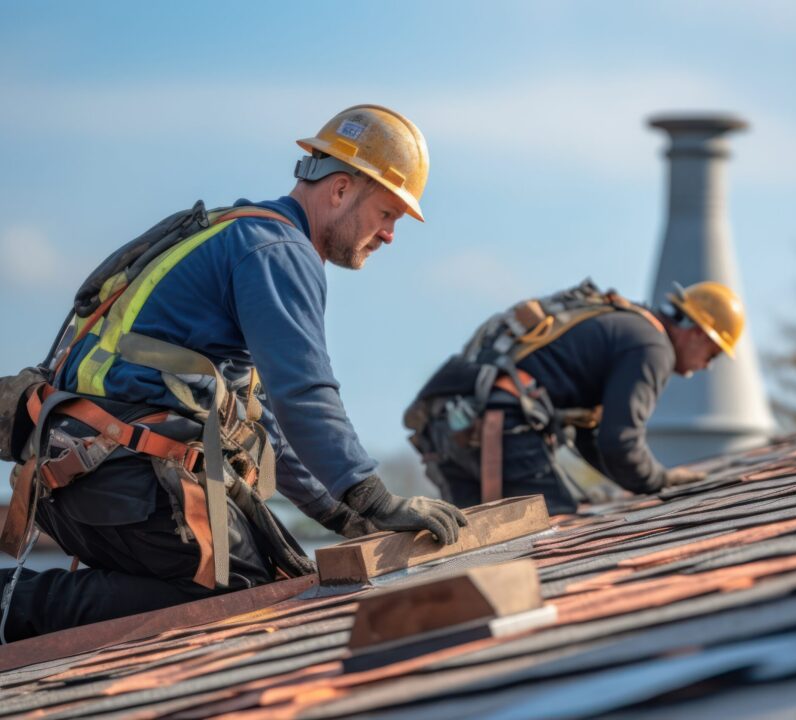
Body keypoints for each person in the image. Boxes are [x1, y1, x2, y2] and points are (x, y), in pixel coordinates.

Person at [0, 104, 466, 642]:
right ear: (340, 190)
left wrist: (341, 515)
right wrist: (376, 500)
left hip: (76, 475)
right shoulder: (279, 251)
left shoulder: (240, 236)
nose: (389, 236)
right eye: (387, 214)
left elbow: (267, 427)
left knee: (263, 578)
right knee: (237, 595)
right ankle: (19, 605)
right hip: (116, 477)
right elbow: (304, 396)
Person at [404, 279, 745, 515]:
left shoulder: (625, 326)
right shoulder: (652, 348)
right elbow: (619, 442)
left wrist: (645, 480)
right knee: (548, 529)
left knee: (471, 550)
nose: (705, 367)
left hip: (450, 425)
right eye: (712, 355)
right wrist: (659, 481)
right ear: (699, 333)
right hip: (500, 425)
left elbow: (591, 439)